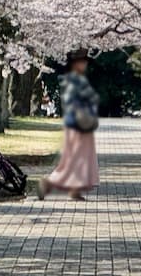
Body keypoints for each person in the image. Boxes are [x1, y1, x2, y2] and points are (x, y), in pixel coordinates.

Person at [39, 50, 99, 201]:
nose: (84, 65)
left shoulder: (77, 80)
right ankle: (49, 183)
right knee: (74, 158)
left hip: (83, 124)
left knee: (81, 158)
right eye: (81, 62)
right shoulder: (73, 81)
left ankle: (75, 188)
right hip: (77, 125)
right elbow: (73, 103)